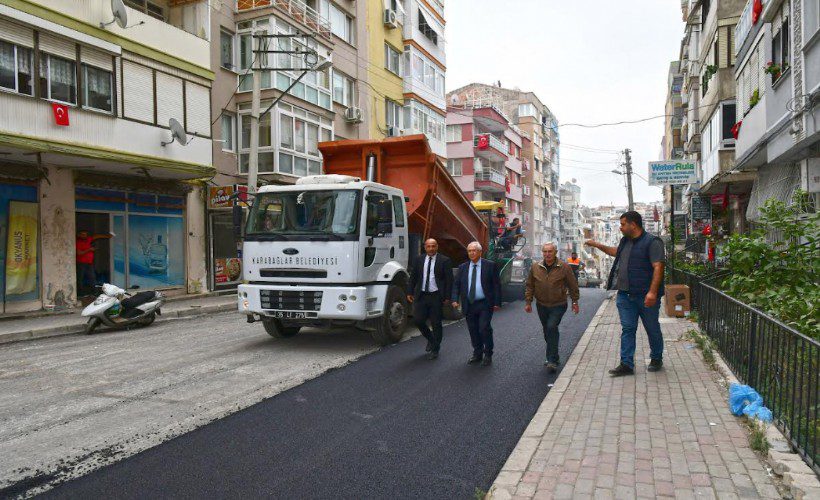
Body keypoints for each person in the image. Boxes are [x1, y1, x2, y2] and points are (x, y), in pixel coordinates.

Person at [585, 210, 666, 376]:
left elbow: (658, 267)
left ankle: (656, 358)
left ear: (633, 225)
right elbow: (616, 252)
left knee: (652, 328)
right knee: (628, 329)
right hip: (625, 296)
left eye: (622, 224)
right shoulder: (625, 241)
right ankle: (626, 364)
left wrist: (652, 293)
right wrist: (597, 245)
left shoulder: (653, 242)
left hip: (646, 296)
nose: (620, 228)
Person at [524, 243, 580, 373]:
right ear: (542, 253)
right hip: (541, 305)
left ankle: (552, 361)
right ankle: (554, 355)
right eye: (545, 252)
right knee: (547, 330)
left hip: (558, 304)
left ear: (555, 252)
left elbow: (572, 285)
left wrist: (575, 302)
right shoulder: (535, 267)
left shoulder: (564, 267)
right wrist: (528, 302)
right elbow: (530, 285)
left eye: (550, 251)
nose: (547, 254)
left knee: (551, 327)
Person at [452, 242, 502, 366]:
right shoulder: (463, 267)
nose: (472, 253)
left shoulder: (490, 266)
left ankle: (488, 353)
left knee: (484, 327)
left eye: (474, 250)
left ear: (480, 252)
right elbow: (457, 285)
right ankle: (477, 353)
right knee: (473, 329)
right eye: (469, 251)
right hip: (469, 303)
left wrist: (497, 302)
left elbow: (496, 285)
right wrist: (454, 299)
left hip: (485, 303)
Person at [407, 239, 453, 360]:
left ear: (437, 247)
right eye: (428, 246)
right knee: (418, 320)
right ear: (425, 247)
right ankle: (431, 339)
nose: (431, 249)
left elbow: (449, 280)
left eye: (433, 246)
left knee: (436, 323)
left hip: (436, 296)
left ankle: (435, 349)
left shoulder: (445, 260)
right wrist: (410, 291)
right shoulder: (419, 259)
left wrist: (448, 296)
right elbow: (413, 277)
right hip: (421, 295)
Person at [76, 230, 112, 296]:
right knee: (80, 278)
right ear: (79, 235)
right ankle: (79, 293)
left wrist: (107, 236)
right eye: (82, 234)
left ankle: (95, 292)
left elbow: (96, 236)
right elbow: (79, 253)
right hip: (81, 263)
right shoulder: (78, 242)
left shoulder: (88, 239)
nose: (84, 236)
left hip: (89, 263)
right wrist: (89, 250)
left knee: (92, 277)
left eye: (85, 234)